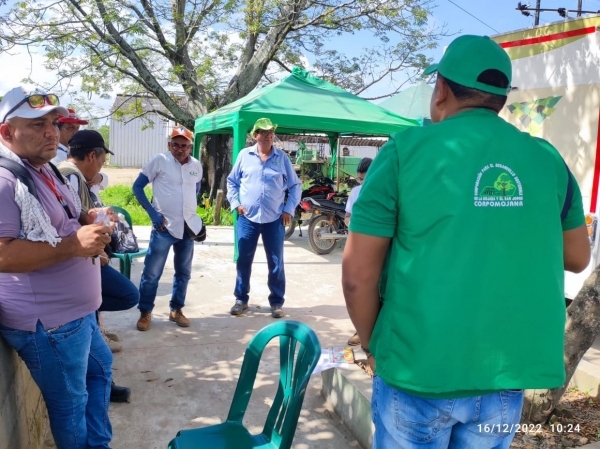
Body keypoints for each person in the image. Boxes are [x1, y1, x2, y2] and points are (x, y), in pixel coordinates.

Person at [342, 35, 591, 449]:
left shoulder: (404, 152)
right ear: (500, 99)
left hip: (415, 370)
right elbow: (578, 257)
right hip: (503, 376)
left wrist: (371, 344)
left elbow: (357, 275)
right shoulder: (547, 160)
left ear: (440, 91)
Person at [0, 86, 113, 448]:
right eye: (36, 124)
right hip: (50, 324)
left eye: (53, 122)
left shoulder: (44, 167)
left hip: (76, 315)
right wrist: (72, 246)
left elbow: (64, 217)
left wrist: (87, 217)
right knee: (70, 405)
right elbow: (2, 255)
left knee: (100, 370)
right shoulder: (5, 181)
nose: (51, 131)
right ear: (7, 132)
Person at [58, 129, 139, 402]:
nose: (103, 165)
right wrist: (95, 249)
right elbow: (67, 224)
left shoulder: (72, 175)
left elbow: (79, 216)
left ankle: (104, 387)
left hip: (85, 262)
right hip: (79, 265)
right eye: (103, 159)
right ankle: (100, 390)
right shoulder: (70, 176)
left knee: (94, 340)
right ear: (92, 155)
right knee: (128, 295)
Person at [226, 118, 301, 318]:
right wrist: (236, 204)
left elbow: (295, 185)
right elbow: (232, 182)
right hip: (247, 218)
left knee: (276, 261)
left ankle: (276, 302)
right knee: (244, 259)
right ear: (255, 135)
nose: (268, 135)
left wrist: (289, 208)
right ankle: (241, 299)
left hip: (274, 219)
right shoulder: (244, 155)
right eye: (263, 132)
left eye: (271, 132)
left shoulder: (282, 158)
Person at [133, 125, 203, 331]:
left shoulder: (196, 165)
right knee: (152, 273)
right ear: (169, 145)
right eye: (175, 145)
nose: (179, 149)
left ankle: (176, 310)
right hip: (164, 228)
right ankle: (145, 312)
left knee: (184, 272)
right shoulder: (159, 161)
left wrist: (191, 211)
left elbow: (195, 189)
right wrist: (153, 214)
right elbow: (137, 187)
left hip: (188, 229)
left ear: (190, 147)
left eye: (184, 145)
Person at [343, 157, 372, 347]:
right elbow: (347, 217)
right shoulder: (355, 192)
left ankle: (373, 334)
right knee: (357, 290)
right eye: (360, 179)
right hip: (358, 245)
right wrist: (354, 224)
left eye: (366, 179)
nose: (363, 183)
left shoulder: (386, 191)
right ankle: (361, 331)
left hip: (379, 249)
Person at [52, 108, 108, 196]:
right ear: (57, 130)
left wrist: (100, 177)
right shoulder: (55, 155)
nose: (75, 132)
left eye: (77, 128)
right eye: (70, 128)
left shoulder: (72, 151)